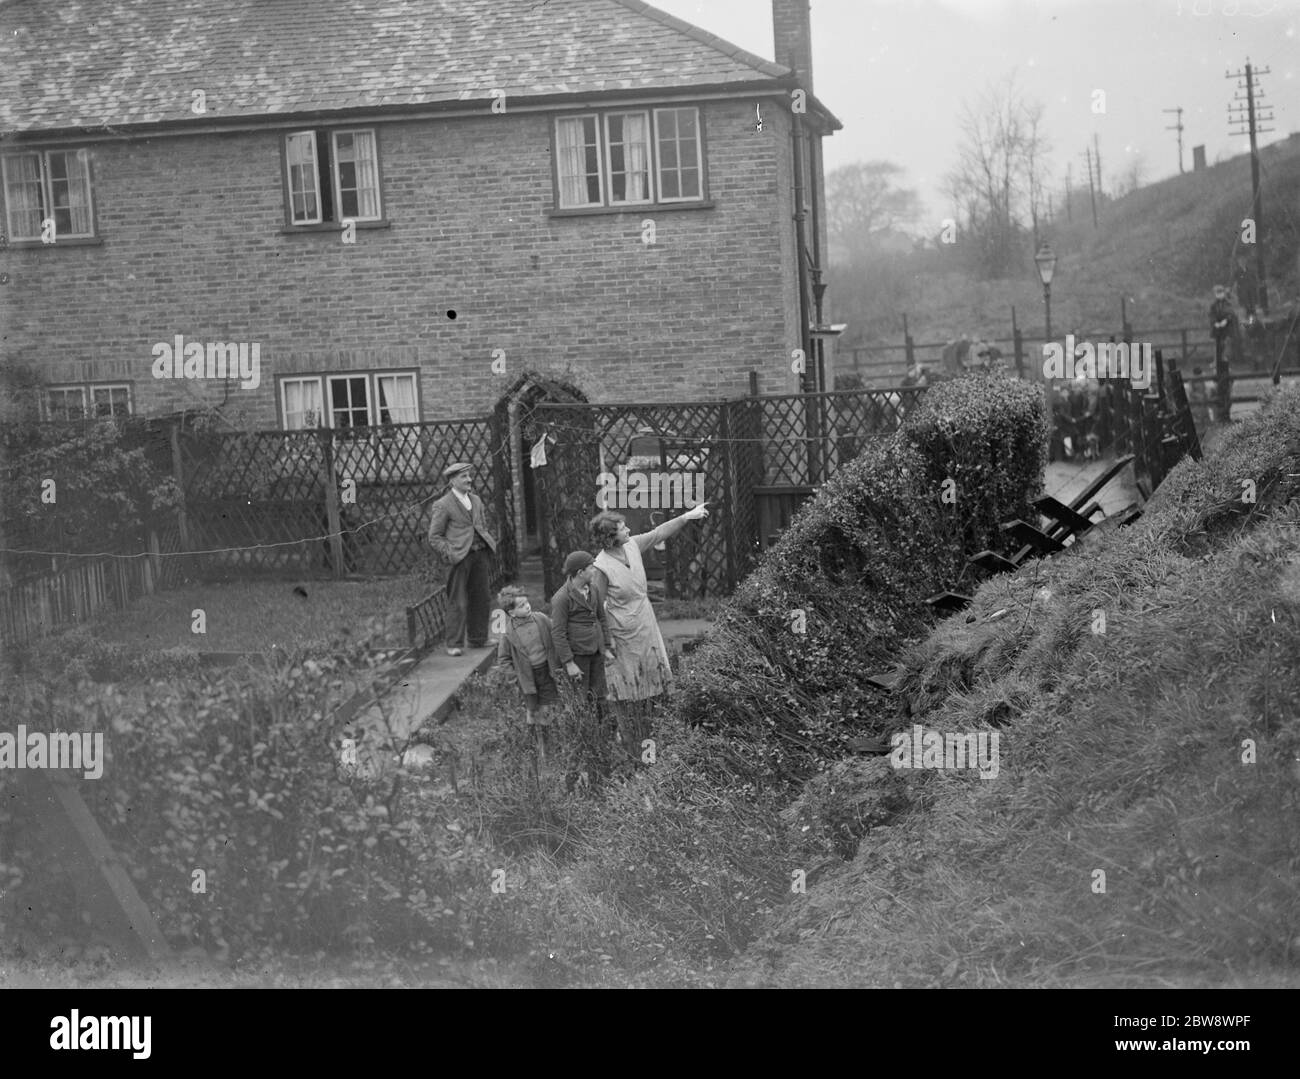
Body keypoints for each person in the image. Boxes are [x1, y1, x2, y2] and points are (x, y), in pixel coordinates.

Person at [590, 502, 709, 755]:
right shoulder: (600, 567)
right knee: (625, 685)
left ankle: (658, 730)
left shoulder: (632, 545)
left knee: (654, 675)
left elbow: (659, 533)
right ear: (610, 538)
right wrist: (605, 644)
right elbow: (596, 610)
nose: (629, 530)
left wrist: (687, 516)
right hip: (621, 631)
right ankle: (629, 737)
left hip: (645, 620)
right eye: (623, 529)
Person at [426, 461, 497, 656]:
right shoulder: (443, 505)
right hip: (458, 558)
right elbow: (434, 537)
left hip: (479, 554)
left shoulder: (475, 500)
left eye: (469, 475)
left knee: (482, 596)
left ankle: (478, 638)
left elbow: (481, 525)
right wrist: (450, 553)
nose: (469, 479)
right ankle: (454, 643)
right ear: (452, 481)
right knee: (457, 600)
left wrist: (486, 542)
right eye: (463, 477)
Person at [495, 585, 562, 763]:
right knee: (532, 711)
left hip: (546, 673)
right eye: (521, 605)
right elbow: (503, 660)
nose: (527, 606)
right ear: (511, 612)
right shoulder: (508, 634)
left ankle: (548, 750)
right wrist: (515, 679)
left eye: (527, 602)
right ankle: (532, 748)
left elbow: (556, 633)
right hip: (527, 678)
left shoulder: (540, 619)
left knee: (547, 710)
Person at [550, 550, 613, 732]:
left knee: (601, 694)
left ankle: (605, 734)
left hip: (596, 651)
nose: (594, 571)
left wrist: (606, 646)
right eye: (591, 568)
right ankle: (582, 737)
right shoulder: (562, 598)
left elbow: (602, 618)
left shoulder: (593, 589)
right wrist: (569, 663)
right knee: (579, 698)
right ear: (580, 573)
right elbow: (558, 633)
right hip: (578, 655)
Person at [1209, 285, 1236, 423]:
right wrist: (1215, 323)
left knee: (1226, 350)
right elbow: (1212, 316)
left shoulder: (1227, 304)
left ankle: (1225, 365)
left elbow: (1230, 313)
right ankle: (1218, 364)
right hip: (1218, 332)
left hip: (1226, 333)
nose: (1219, 294)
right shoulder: (1214, 306)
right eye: (1217, 292)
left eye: (1220, 292)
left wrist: (1226, 320)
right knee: (1218, 351)